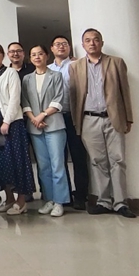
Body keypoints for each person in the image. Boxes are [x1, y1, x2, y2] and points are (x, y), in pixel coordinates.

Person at [69, 28, 136, 218]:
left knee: (118, 160)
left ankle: (121, 203)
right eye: (88, 40)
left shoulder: (116, 62)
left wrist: (128, 118)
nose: (92, 43)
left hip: (113, 118)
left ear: (102, 42)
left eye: (96, 39)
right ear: (83, 44)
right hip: (88, 119)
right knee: (97, 162)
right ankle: (104, 201)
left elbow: (125, 91)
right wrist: (76, 122)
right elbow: (74, 97)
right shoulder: (75, 67)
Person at [0, 43, 35, 215]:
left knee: (18, 162)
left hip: (12, 125)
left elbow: (14, 99)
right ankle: (9, 198)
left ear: (3, 55)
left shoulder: (11, 73)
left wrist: (7, 122)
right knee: (1, 165)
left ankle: (21, 201)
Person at [22, 45, 70, 217]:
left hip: (54, 125)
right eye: (33, 55)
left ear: (47, 56)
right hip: (35, 127)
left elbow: (59, 99)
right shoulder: (27, 78)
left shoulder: (56, 76)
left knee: (57, 165)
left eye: (40, 54)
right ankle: (49, 199)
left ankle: (60, 201)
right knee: (43, 167)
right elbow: (25, 101)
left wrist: (42, 115)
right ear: (30, 58)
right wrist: (34, 118)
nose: (37, 57)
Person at [49, 35, 89, 210]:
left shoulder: (77, 65)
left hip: (74, 116)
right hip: (55, 117)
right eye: (57, 44)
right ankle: (64, 196)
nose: (61, 47)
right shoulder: (48, 69)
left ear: (69, 47)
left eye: (64, 44)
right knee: (59, 158)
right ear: (52, 48)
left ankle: (81, 195)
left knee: (79, 157)